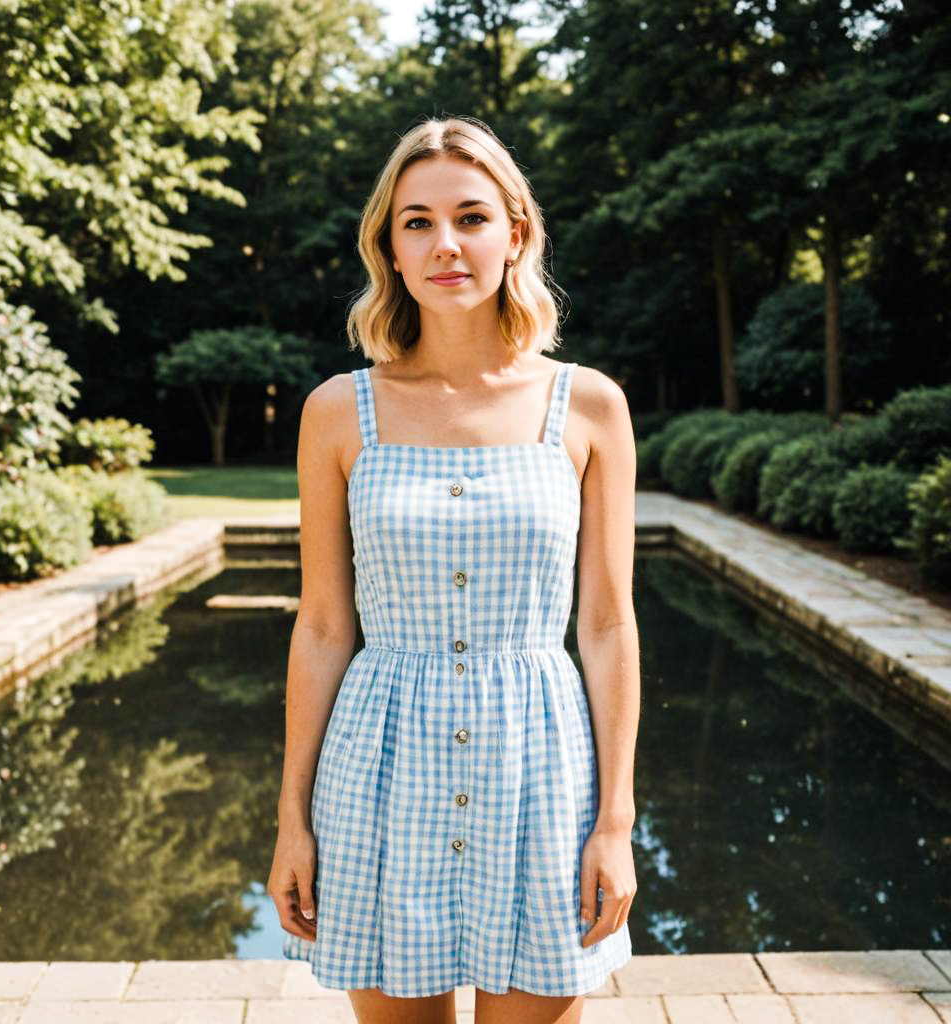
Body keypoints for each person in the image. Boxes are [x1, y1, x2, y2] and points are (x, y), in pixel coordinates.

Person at [268, 114, 641, 1024]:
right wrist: (292, 818)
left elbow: (605, 623)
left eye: (471, 218)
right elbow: (322, 625)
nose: (446, 244)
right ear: (389, 249)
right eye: (417, 222)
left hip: (543, 772)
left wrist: (617, 822)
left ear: (516, 233)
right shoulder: (337, 412)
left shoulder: (587, 405)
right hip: (379, 769)